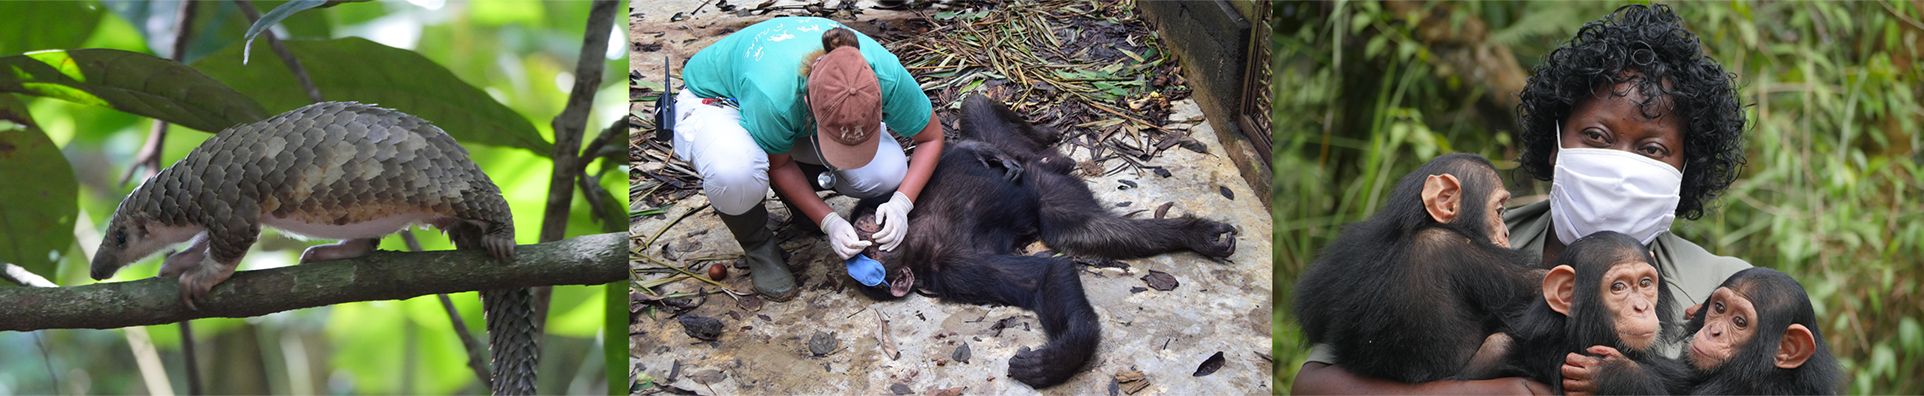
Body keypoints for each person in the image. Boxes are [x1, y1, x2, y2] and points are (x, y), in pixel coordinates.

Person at [1291, 4, 1753, 394]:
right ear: (1556, 145)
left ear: (1685, 168)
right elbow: (1313, 383)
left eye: (1652, 150)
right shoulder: (1460, 239)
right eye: (1596, 136)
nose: (1620, 166)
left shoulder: (1727, 292)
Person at [670, 17, 944, 301]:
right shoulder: (776, 95)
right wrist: (829, 221)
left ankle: (797, 193)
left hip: (788, 114)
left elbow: (932, 137)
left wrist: (902, 203)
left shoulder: (883, 75)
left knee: (887, 172)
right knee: (735, 171)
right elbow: (778, 164)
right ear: (807, 106)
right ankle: (758, 247)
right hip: (721, 100)